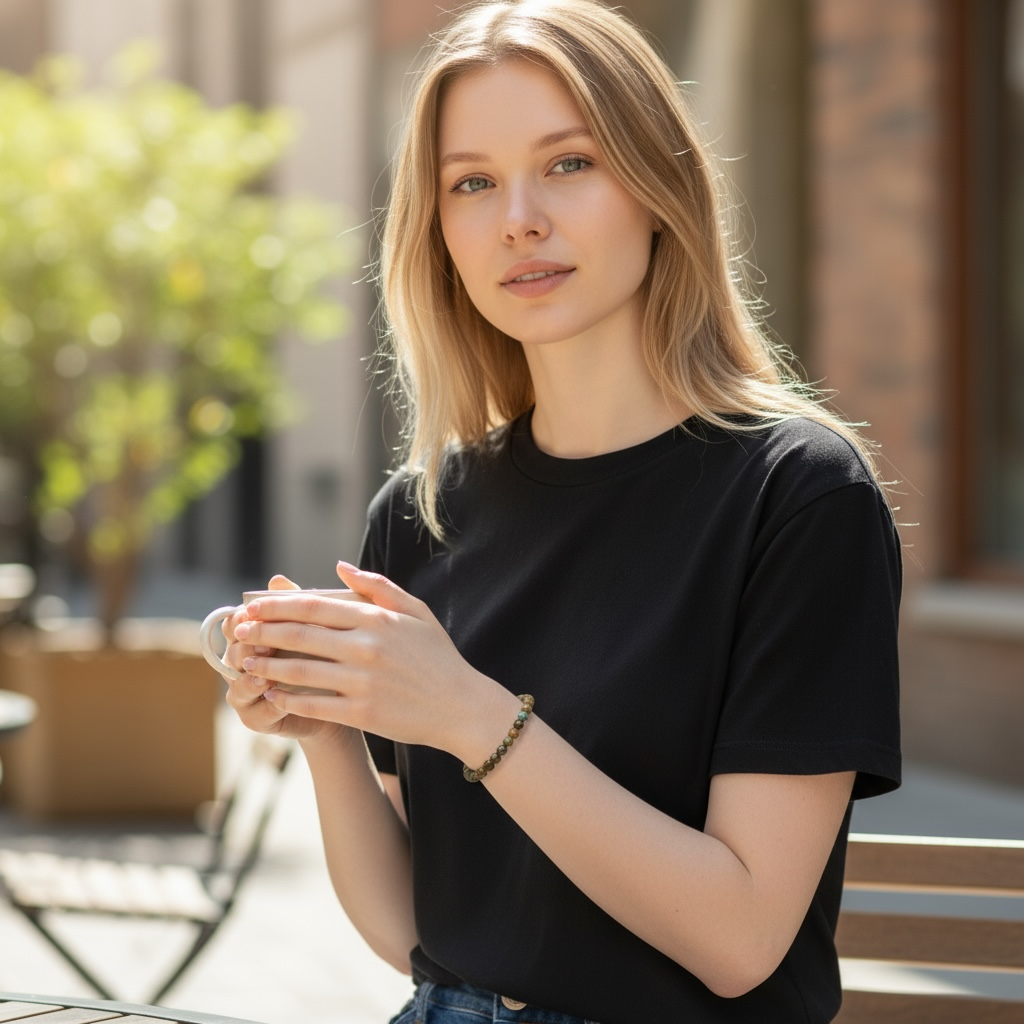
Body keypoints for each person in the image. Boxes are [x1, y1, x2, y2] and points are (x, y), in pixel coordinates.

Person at [220, 1, 902, 1021]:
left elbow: (741, 936)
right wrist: (322, 732)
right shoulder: (420, 516)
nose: (518, 220)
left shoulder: (798, 498)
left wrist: (465, 712)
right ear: (439, 228)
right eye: (472, 183)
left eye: (569, 163)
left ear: (658, 185)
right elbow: (422, 933)